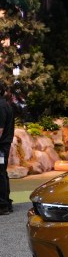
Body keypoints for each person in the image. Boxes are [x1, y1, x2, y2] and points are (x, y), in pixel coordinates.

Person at [0, 86, 14, 215]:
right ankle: (6, 203)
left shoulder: (1, 106)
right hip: (4, 146)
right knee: (2, 172)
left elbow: (0, 129)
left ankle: (2, 205)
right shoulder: (6, 104)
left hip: (1, 147)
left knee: (0, 173)